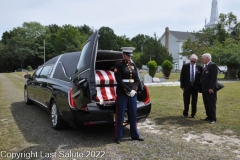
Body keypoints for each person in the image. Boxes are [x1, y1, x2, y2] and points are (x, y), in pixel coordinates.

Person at [114, 47, 144, 144]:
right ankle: (118, 136)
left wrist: (134, 89)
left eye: (130, 55)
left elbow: (137, 79)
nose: (129, 57)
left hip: (132, 94)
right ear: (123, 55)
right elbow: (119, 80)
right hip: (122, 94)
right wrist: (128, 90)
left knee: (133, 115)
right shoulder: (119, 65)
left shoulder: (133, 65)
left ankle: (135, 134)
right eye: (128, 55)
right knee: (121, 115)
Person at [180, 54, 203, 118]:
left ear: (196, 61)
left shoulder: (199, 67)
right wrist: (182, 86)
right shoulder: (185, 66)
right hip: (187, 86)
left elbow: (201, 78)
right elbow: (182, 77)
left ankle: (193, 113)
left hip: (195, 86)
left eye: (194, 61)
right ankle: (185, 113)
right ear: (190, 60)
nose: (192, 62)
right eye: (191, 61)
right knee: (186, 100)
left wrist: (199, 86)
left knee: (194, 101)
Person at [200, 53, 218, 124]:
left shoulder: (213, 65)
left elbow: (213, 78)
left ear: (207, 58)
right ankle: (208, 116)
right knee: (206, 103)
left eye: (203, 58)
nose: (202, 60)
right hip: (205, 89)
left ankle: (213, 118)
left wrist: (211, 87)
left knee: (211, 103)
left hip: (210, 89)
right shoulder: (206, 66)